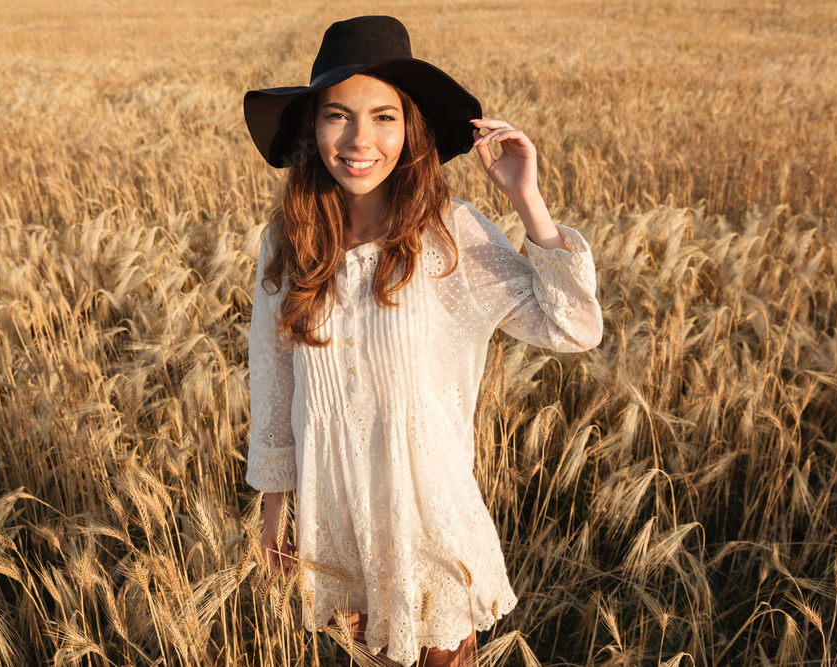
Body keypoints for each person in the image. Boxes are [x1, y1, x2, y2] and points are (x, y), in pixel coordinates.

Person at [242, 15, 603, 667]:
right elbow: (274, 381)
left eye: (383, 116)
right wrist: (273, 507)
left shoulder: (449, 238)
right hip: (339, 524)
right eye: (337, 116)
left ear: (410, 129)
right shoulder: (289, 243)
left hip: (429, 527)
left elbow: (574, 326)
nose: (358, 139)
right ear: (312, 127)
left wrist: (529, 201)